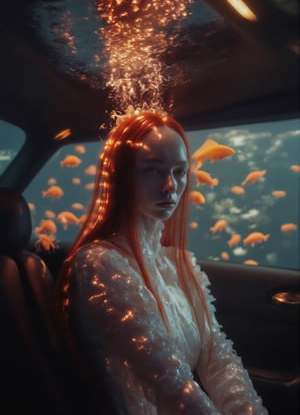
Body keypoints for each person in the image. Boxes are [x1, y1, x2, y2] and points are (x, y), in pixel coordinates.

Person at [56, 110, 268, 415]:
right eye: (152, 170)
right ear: (121, 175)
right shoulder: (100, 264)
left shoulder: (177, 264)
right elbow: (169, 383)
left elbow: (217, 357)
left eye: (179, 171)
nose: (170, 185)